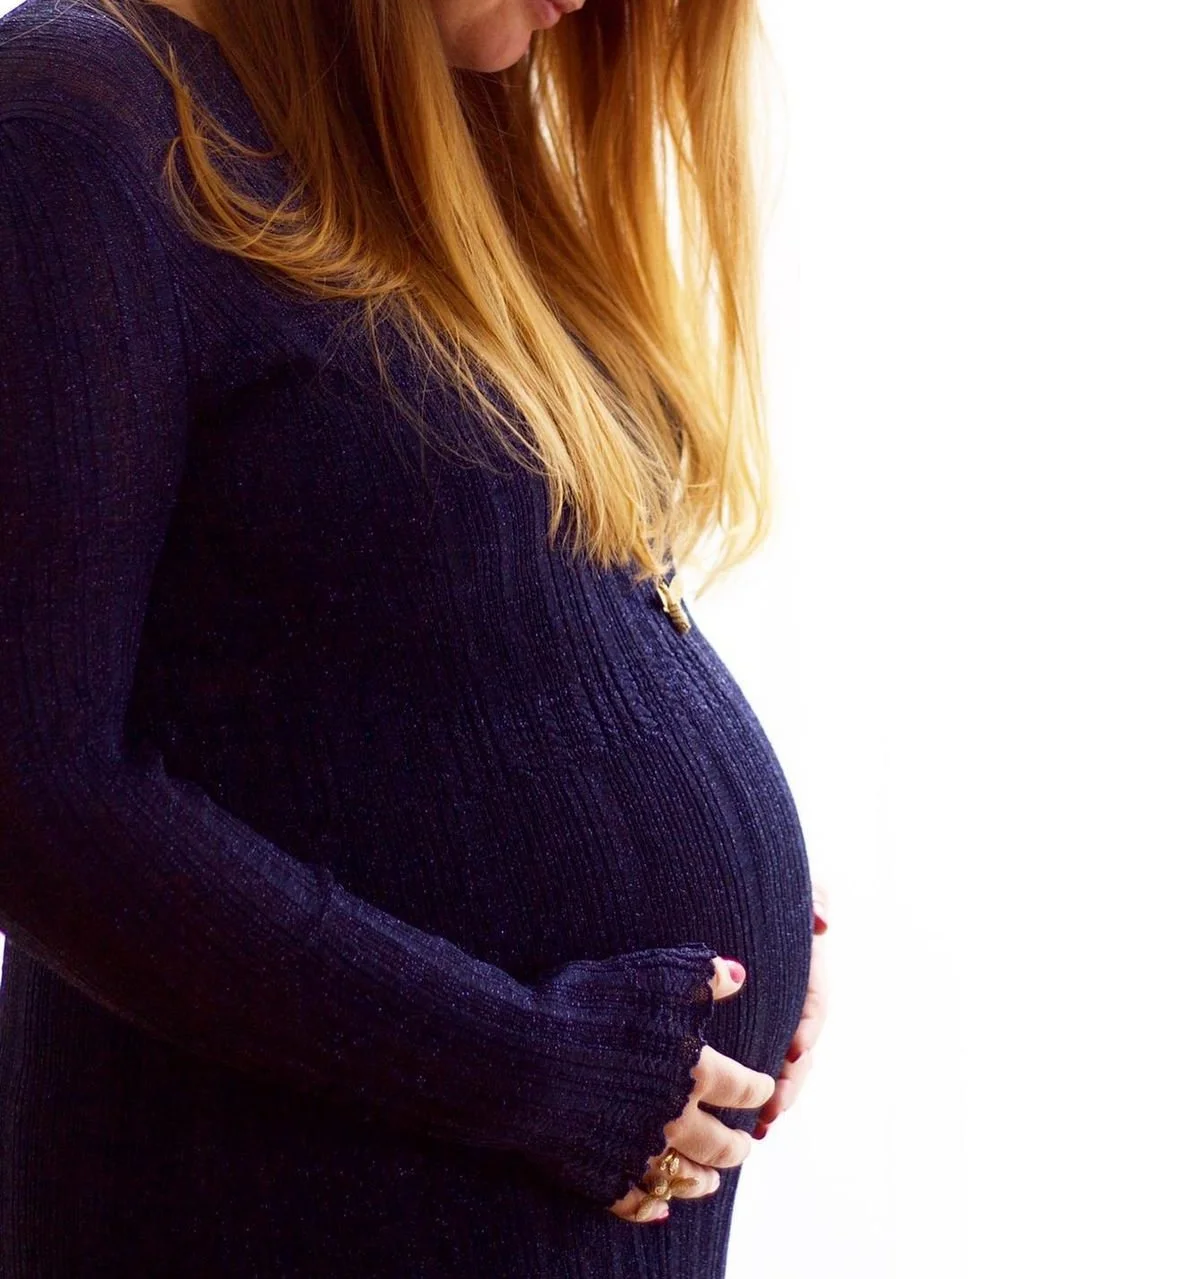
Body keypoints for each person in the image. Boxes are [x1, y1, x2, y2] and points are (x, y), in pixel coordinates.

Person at [0, 0, 829, 1272]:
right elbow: (33, 798)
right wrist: (536, 1066)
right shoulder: (79, 123)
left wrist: (740, 923)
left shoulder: (425, 135)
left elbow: (458, 626)